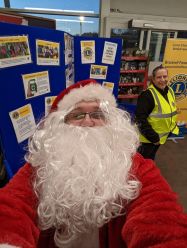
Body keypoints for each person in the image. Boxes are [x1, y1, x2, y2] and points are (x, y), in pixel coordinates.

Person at [0, 79, 187, 248]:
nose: (88, 122)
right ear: (60, 125)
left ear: (111, 123)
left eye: (97, 114)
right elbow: (11, 208)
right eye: (78, 115)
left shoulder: (135, 166)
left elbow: (160, 215)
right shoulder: (44, 164)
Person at [134, 65, 179, 160]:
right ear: (153, 80)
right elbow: (140, 119)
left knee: (150, 159)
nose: (163, 80)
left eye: (165, 76)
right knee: (142, 161)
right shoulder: (147, 95)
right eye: (159, 77)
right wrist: (153, 138)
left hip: (160, 137)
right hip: (148, 140)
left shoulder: (170, 90)